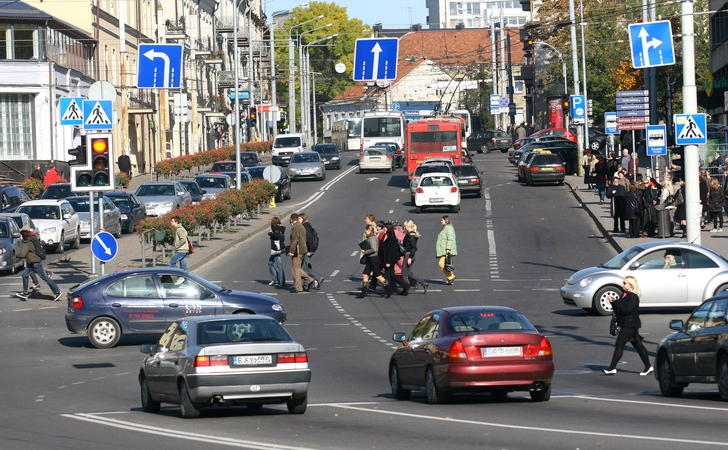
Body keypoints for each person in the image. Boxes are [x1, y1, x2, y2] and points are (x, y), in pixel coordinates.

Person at [603, 276, 653, 376]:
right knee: (638, 345)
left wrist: (615, 302)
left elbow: (627, 310)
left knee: (619, 343)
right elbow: (619, 308)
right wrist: (612, 302)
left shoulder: (633, 296)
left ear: (631, 284)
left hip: (630, 324)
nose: (623, 284)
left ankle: (612, 368)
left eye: (625, 283)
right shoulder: (624, 295)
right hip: (626, 323)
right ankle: (648, 366)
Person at [15, 225, 63, 301]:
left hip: (35, 262)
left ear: (23, 234)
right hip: (33, 262)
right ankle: (25, 293)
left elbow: (22, 254)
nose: (19, 236)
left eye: (20, 234)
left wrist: (16, 255)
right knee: (24, 275)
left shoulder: (26, 242)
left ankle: (57, 292)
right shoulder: (31, 239)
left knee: (45, 278)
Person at [356, 224, 389, 298]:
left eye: (366, 230)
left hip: (373, 259)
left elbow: (374, 249)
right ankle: (363, 293)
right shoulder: (370, 238)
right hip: (370, 259)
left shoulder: (372, 238)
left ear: (369, 230)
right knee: (365, 274)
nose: (365, 232)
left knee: (378, 275)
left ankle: (388, 290)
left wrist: (365, 251)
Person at [287, 213, 315, 293]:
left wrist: (291, 251)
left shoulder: (295, 227)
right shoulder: (302, 226)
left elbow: (295, 240)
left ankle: (302, 285)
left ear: (292, 219)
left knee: (296, 269)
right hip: (303, 249)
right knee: (297, 268)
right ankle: (302, 284)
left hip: (297, 250)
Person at [381, 222, 410, 297]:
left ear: (388, 228)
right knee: (390, 274)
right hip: (391, 259)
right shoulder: (389, 236)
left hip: (390, 259)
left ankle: (403, 286)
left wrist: (388, 262)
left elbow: (390, 251)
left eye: (384, 227)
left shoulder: (391, 239)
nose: (383, 229)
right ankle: (392, 290)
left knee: (389, 275)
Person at [298, 213, 323, 290]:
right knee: (305, 267)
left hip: (308, 250)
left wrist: (311, 251)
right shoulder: (307, 225)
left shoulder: (305, 227)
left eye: (299, 218)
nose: (298, 220)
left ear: (303, 218)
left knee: (304, 268)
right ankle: (306, 285)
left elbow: (309, 240)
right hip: (308, 249)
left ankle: (318, 278)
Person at [402, 220, 428, 293]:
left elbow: (414, 247)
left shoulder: (411, 235)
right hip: (410, 255)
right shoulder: (410, 234)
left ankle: (405, 289)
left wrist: (410, 257)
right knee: (409, 273)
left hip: (409, 255)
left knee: (404, 273)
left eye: (405, 226)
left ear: (409, 226)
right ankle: (424, 283)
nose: (404, 227)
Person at [436, 215, 457, 285]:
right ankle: (449, 279)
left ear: (446, 220)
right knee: (446, 265)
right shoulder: (445, 228)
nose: (441, 221)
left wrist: (448, 249)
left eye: (442, 220)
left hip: (446, 250)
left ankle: (451, 277)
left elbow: (450, 239)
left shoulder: (449, 228)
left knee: (441, 264)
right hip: (444, 250)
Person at [267, 217, 286, 287]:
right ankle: (276, 279)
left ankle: (280, 281)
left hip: (276, 249)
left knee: (279, 266)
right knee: (270, 263)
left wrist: (270, 233)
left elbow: (277, 236)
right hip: (278, 248)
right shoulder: (281, 228)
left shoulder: (276, 228)